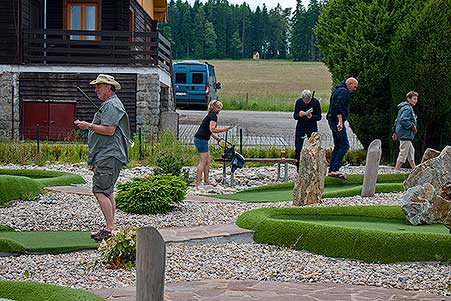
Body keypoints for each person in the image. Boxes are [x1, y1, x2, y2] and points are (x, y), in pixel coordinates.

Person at [74, 74, 130, 242]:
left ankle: (109, 229)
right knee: (108, 191)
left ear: (109, 88)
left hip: (110, 154)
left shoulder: (112, 105)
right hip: (106, 155)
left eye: (99, 86)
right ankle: (110, 227)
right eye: (96, 86)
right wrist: (94, 159)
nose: (96, 89)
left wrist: (88, 125)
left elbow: (109, 130)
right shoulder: (109, 104)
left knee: (100, 191)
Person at [194, 100, 231, 188]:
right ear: (214, 108)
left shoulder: (210, 115)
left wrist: (216, 138)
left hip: (202, 139)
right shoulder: (213, 116)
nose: (220, 109)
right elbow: (212, 129)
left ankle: (206, 181)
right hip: (201, 139)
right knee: (203, 162)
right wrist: (224, 129)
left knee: (208, 161)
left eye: (220, 107)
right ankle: (198, 183)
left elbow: (209, 130)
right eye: (218, 107)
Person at [326, 77, 358, 178]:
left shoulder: (338, 90)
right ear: (350, 84)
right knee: (344, 145)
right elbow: (337, 106)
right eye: (355, 86)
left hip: (332, 119)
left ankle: (332, 169)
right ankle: (335, 168)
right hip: (336, 121)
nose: (355, 89)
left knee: (338, 145)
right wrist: (340, 121)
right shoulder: (344, 92)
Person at [293, 89, 322, 169]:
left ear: (310, 98)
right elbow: (295, 116)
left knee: (313, 145)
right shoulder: (299, 102)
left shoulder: (315, 102)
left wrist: (312, 116)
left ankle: (313, 165)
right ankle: (298, 166)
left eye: (308, 100)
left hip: (312, 125)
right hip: (301, 125)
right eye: (304, 100)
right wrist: (300, 115)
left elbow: (319, 117)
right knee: (298, 146)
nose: (306, 102)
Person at [392, 91, 418, 171]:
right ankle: (396, 171)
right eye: (414, 99)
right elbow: (403, 120)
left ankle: (415, 169)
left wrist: (394, 131)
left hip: (404, 134)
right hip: (406, 134)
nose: (415, 101)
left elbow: (397, 120)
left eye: (416, 99)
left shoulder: (404, 107)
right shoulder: (408, 108)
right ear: (408, 99)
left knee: (411, 152)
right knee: (403, 153)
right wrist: (412, 126)